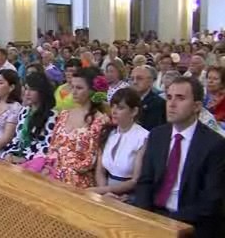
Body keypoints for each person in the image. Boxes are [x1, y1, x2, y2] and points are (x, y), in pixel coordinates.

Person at [135, 76, 225, 238]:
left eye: (180, 98)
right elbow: (145, 182)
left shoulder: (215, 144)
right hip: (154, 217)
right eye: (169, 97)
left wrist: (168, 224)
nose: (171, 104)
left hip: (191, 225)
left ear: (197, 106)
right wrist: (146, 218)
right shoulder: (157, 135)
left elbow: (211, 201)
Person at [42, 67, 107, 189]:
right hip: (52, 175)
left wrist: (66, 170)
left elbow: (92, 159)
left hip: (78, 182)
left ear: (92, 91)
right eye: (73, 87)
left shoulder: (100, 121)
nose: (74, 92)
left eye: (79, 88)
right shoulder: (64, 114)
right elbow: (53, 147)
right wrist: (49, 167)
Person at [90, 88, 148, 201]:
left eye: (120, 108)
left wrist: (101, 191)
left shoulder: (143, 137)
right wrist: (104, 192)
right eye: (113, 106)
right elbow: (100, 170)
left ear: (134, 111)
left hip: (129, 196)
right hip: (105, 191)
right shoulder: (108, 132)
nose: (114, 111)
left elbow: (135, 180)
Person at [1, 72, 57, 163]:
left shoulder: (52, 115)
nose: (27, 93)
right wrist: (9, 153)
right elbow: (17, 139)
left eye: (32, 89)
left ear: (41, 91)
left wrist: (24, 159)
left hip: (34, 160)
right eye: (26, 89)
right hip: (17, 154)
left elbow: (47, 146)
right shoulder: (24, 111)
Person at [130, 65, 166, 131]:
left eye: (139, 78)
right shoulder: (127, 101)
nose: (134, 82)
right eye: (132, 79)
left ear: (150, 81)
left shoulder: (158, 103)